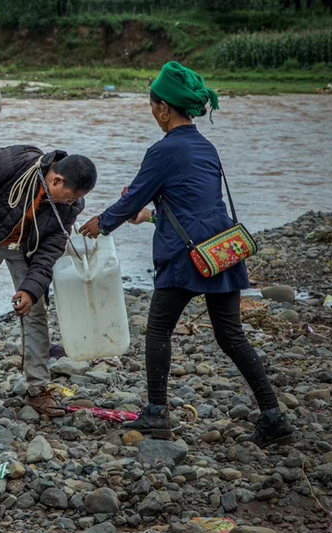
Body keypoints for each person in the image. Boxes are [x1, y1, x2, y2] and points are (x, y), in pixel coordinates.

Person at [79, 61, 293, 449]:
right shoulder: (206, 147)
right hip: (221, 251)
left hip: (185, 256)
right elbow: (194, 203)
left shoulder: (162, 151)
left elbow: (133, 199)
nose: (152, 112)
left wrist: (102, 223)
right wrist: (151, 215)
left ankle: (157, 412)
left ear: (164, 108)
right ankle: (274, 416)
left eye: (152, 105)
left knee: (159, 329)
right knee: (231, 335)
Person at [0, 146, 97, 415]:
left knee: (36, 313)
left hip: (27, 248)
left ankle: (38, 388)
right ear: (56, 180)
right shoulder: (16, 161)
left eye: (77, 198)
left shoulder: (71, 205)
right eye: (70, 196)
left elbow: (51, 249)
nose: (72, 202)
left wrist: (30, 289)